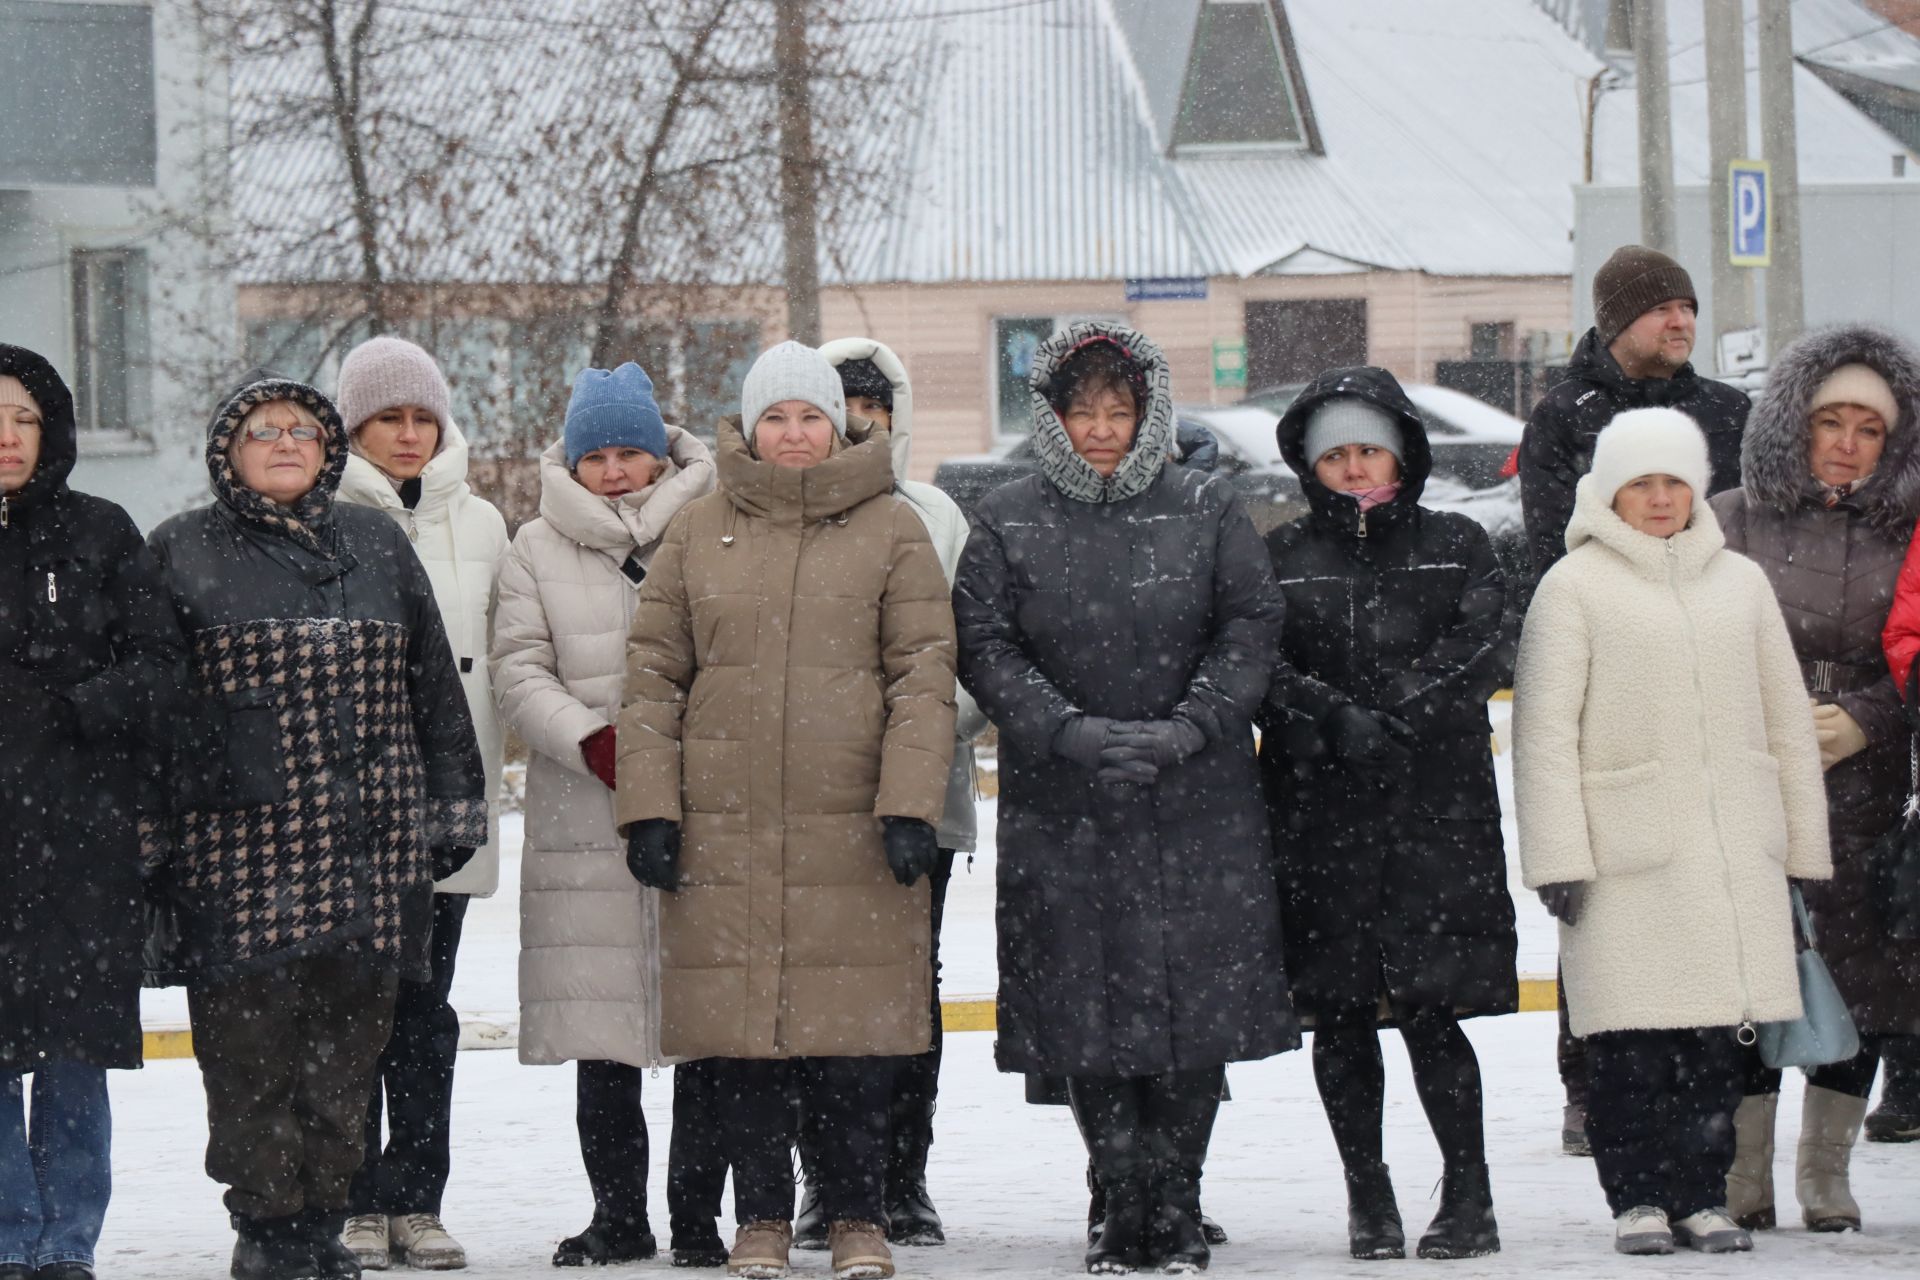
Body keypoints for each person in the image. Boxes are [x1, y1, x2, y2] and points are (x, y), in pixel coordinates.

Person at [953, 322, 1295, 1276]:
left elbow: (1250, 623)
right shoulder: (1009, 515)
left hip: (1198, 794)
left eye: (1120, 409)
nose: (1102, 429)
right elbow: (985, 646)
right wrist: (1070, 732)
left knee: (1197, 1006)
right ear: (1052, 417)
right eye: (1081, 410)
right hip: (1065, 797)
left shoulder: (1207, 505)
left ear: (1147, 414)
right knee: (1082, 1007)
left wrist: (1192, 724)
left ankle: (1177, 1200)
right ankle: (1117, 1195)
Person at [617, 341, 955, 1280]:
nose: (795, 433)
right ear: (752, 430)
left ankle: (856, 1218)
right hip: (724, 827)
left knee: (851, 1039)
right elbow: (650, 680)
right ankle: (760, 1217)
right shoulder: (697, 530)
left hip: (851, 826)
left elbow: (923, 676)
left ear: (838, 423)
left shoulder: (893, 528)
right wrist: (650, 809)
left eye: (811, 415)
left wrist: (908, 805)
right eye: (776, 418)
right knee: (743, 1041)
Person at [147, 372, 486, 1280]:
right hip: (235, 853)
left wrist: (454, 806)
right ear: (229, 451)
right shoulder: (180, 550)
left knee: (348, 1051)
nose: (287, 442)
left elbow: (433, 689)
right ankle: (266, 1231)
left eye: (304, 428)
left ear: (330, 448)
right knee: (250, 1057)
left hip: (369, 849)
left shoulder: (376, 542)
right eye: (264, 430)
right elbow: (149, 712)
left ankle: (323, 1221)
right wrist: (153, 835)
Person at [1514, 408, 1830, 1257]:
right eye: (1641, 483)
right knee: (1629, 1044)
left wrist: (1801, 847)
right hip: (1625, 859)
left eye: (1674, 481)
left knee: (1714, 1049)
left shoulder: (1741, 583)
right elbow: (1542, 733)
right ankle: (1639, 1200)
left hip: (1731, 855)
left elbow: (1786, 723)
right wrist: (1557, 858)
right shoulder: (1573, 586)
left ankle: (1703, 1195)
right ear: (1611, 490)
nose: (1660, 498)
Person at [1260, 367, 1516, 1261]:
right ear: (1310, 464)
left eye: (1370, 447)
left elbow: (1484, 640)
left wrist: (1398, 710)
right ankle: (1368, 1198)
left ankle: (1470, 1196)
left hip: (1433, 813)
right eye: (1337, 454)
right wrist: (1331, 717)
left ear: (1402, 450)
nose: (1356, 466)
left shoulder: (1459, 541)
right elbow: (1258, 658)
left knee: (1432, 1011)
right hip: (1319, 818)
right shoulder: (1281, 555)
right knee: (1337, 1014)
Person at [1517, 243, 1752, 1155]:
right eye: (1664, 309)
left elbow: (1744, 537)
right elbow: (1549, 550)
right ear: (1621, 321)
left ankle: (1712, 1078)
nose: (1683, 322)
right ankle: (1592, 1078)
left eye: (1689, 307)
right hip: (1605, 672)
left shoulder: (1724, 412)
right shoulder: (1564, 417)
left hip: (1708, 668)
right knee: (1602, 885)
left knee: (1707, 877)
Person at [491, 363, 715, 1268]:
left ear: (662, 456)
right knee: (602, 1040)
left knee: (709, 1032)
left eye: (633, 452)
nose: (616, 469)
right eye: (599, 455)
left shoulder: (713, 526)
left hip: (704, 808)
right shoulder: (533, 548)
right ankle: (618, 1215)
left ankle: (700, 1218)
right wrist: (594, 742)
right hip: (587, 816)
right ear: (573, 462)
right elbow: (517, 669)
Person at [1718, 324, 1920, 1234]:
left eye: (1867, 428)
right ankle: (1742, 1171)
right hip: (1750, 770)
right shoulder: (1733, 517)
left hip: (1869, 778)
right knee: (1753, 972)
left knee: (1860, 973)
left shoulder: (1911, 528)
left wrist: (1871, 718)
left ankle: (1826, 1172)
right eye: (1828, 420)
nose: (1845, 442)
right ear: (1792, 426)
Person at [784, 336, 984, 1250]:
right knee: (811, 995)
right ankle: (827, 1185)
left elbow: (977, 655)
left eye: (879, 408)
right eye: (844, 405)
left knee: (912, 993)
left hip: (921, 798)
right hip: (805, 797)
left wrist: (922, 734)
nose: (863, 424)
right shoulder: (774, 510)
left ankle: (905, 1178)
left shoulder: (939, 516)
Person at [0, 345, 184, 1280]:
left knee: (74, 1049)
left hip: (80, 833)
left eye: (25, 419)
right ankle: (5, 1236)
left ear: (54, 430)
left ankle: (66, 1242)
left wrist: (73, 707)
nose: (6, 438)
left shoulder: (103, 532)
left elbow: (160, 666)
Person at [332, 335, 508, 1272]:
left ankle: (419, 1198)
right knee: (359, 1007)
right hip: (352, 816)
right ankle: (358, 1199)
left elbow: (508, 657)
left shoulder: (482, 524)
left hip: (447, 805)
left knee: (427, 1011)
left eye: (420, 418)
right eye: (386, 419)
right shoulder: (320, 518)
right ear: (354, 427)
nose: (406, 436)